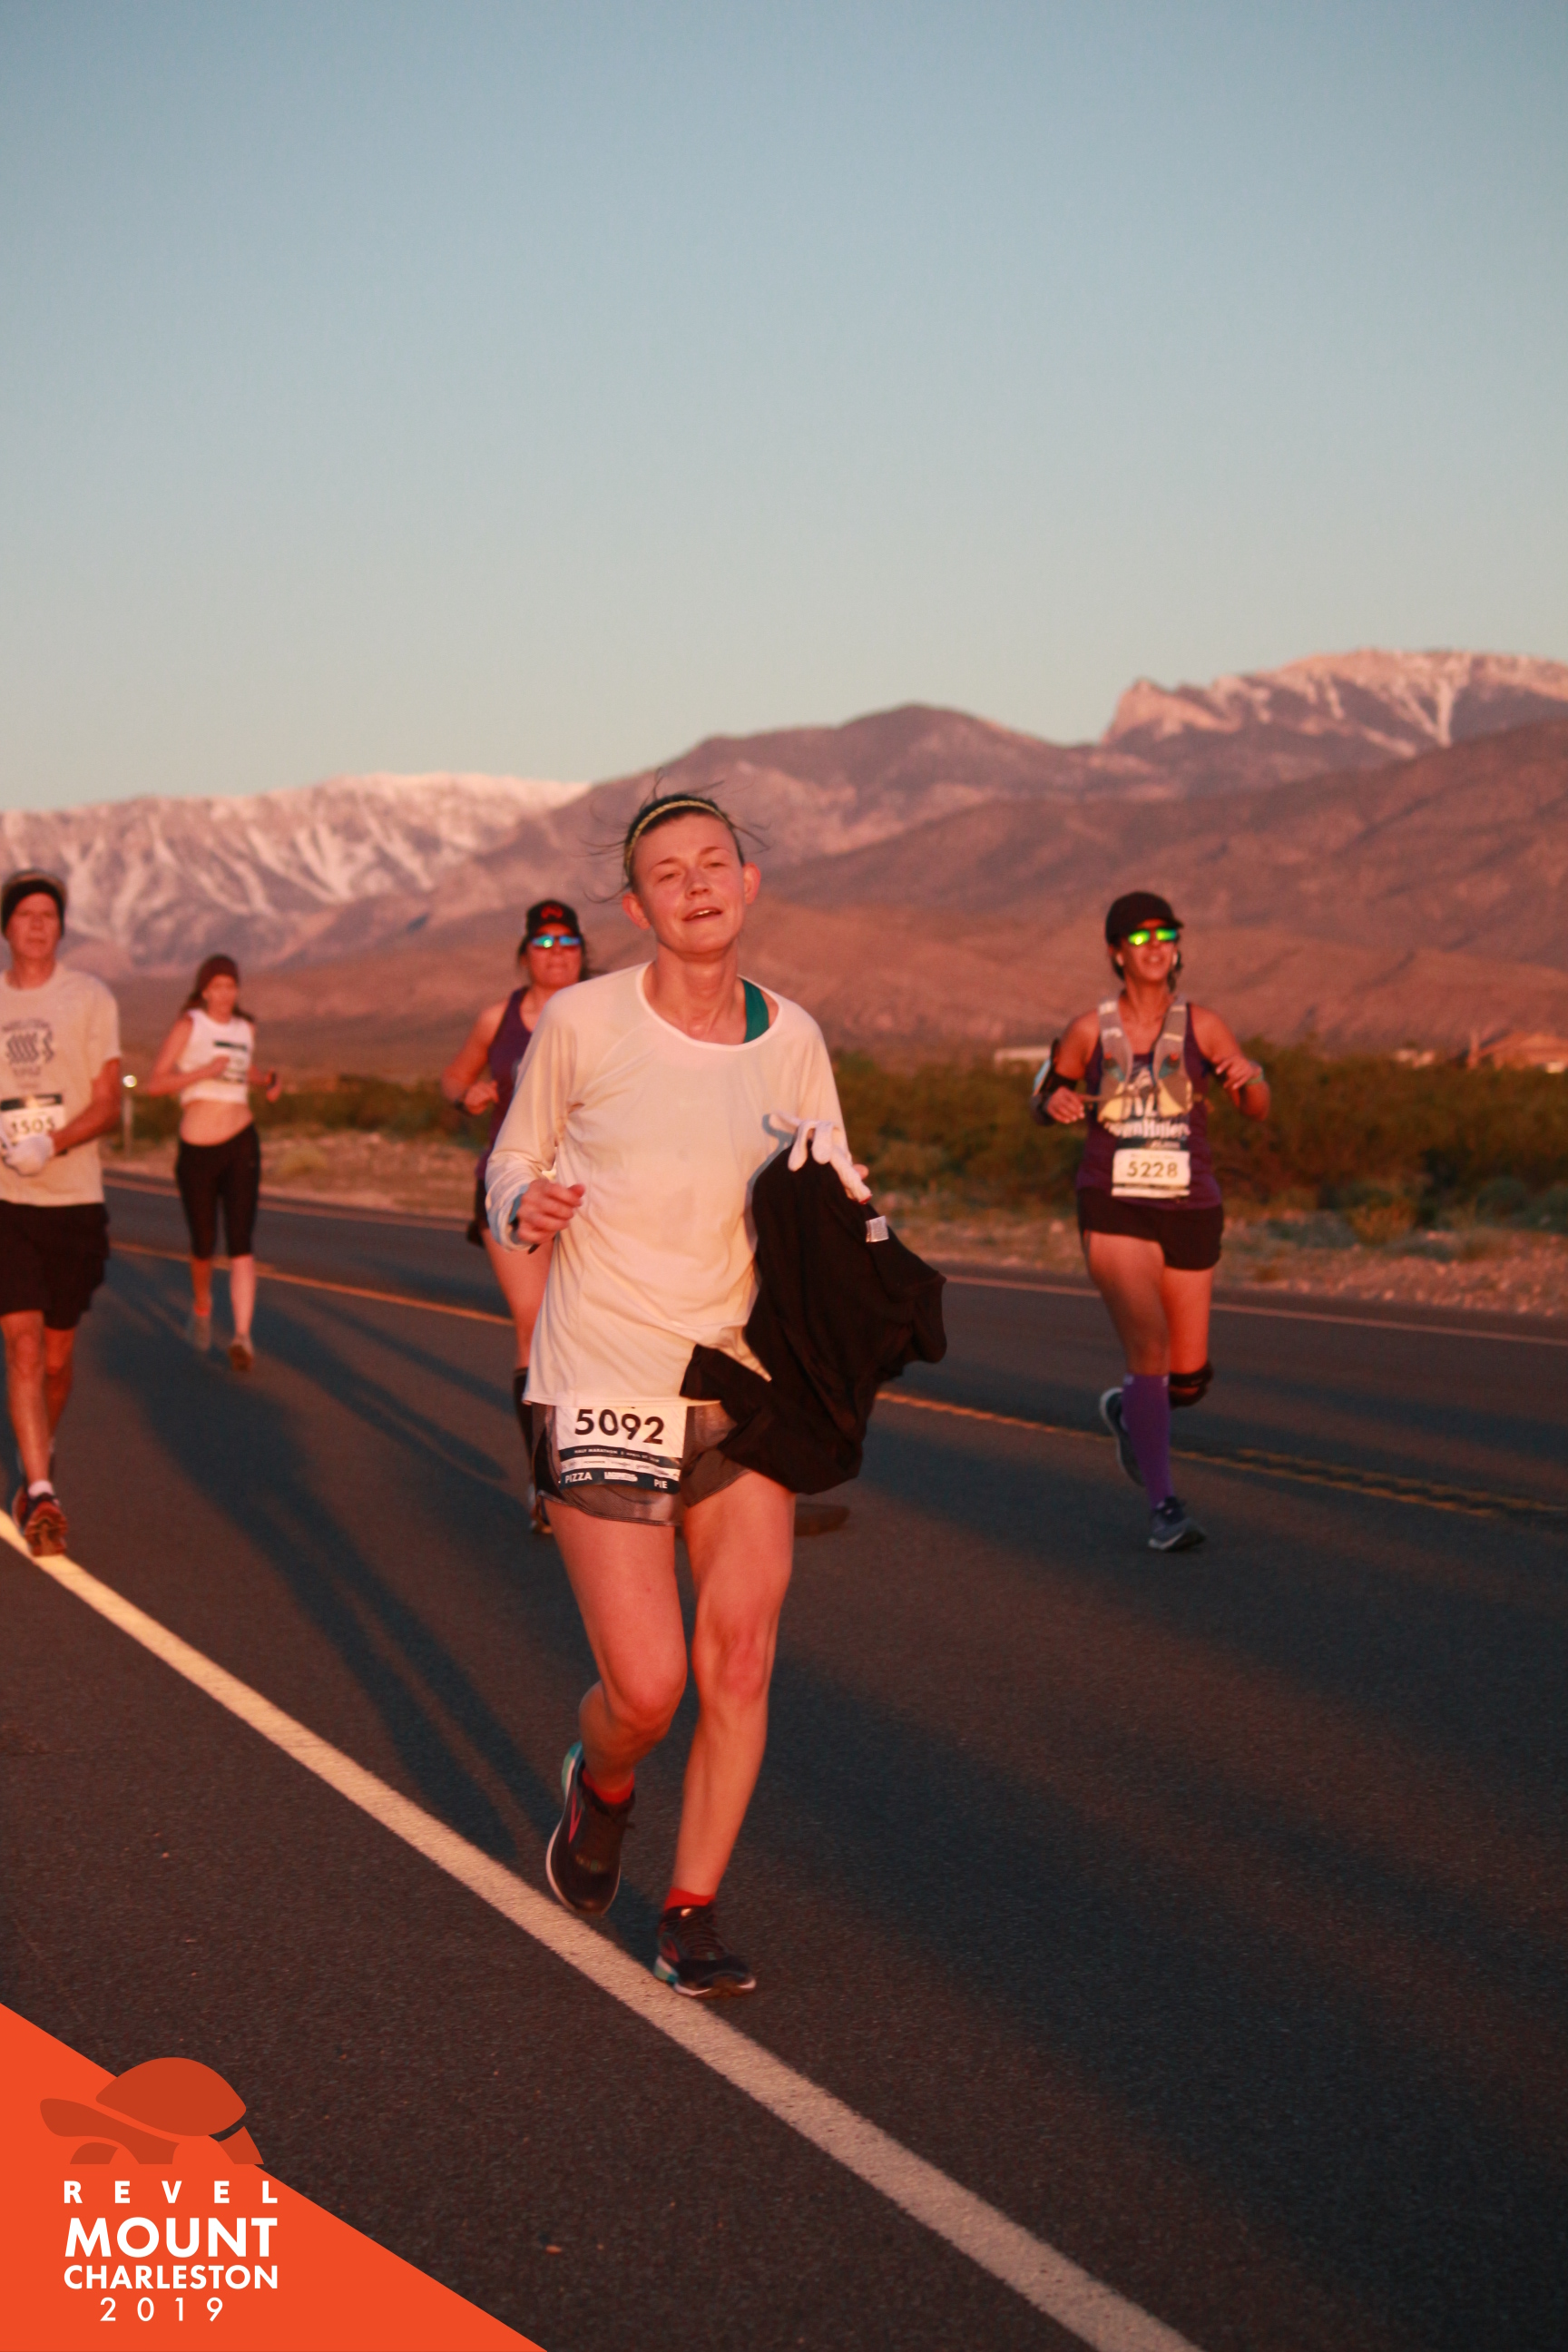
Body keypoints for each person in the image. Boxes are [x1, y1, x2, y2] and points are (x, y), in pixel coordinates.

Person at [485, 794, 853, 1997]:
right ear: (636, 908)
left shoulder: (793, 1037)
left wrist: (858, 1232)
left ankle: (690, 1908)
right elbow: (511, 1160)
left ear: (749, 883)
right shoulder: (583, 1023)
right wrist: (522, 1205)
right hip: (601, 1375)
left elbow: (828, 1183)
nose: (695, 884)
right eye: (667, 873)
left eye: (714, 863)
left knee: (739, 1660)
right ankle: (602, 1784)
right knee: (647, 1691)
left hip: (741, 1388)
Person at [1034, 891, 1269, 1552]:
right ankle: (1164, 1508)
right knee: (1151, 1348)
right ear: (1117, 952)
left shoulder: (1205, 1026)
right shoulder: (1090, 1030)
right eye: (1140, 938)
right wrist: (1052, 1103)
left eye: (1166, 935)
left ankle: (1129, 1410)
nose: (1156, 946)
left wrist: (1251, 1078)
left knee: (1186, 1380)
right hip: (1113, 1202)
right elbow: (1045, 1094)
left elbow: (1255, 1106)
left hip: (1189, 1205)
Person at [440, 901, 587, 1533]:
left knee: (593, 1327)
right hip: (514, 1188)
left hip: (588, 1190)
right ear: (524, 953)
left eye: (568, 942)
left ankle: (611, 1468)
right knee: (536, 1323)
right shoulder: (496, 1018)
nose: (557, 953)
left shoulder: (604, 1010)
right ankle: (543, 1479)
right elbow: (454, 1075)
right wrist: (467, 1094)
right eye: (544, 942)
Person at [0, 869, 122, 1556]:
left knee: (53, 1359)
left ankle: (39, 1453)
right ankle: (41, 1489)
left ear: (61, 928)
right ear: (6, 928)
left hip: (73, 1198)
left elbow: (108, 1102)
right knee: (20, 1346)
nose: (38, 924)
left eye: (49, 914)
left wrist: (51, 1142)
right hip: (6, 1202)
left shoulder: (90, 997)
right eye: (26, 914)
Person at [142, 954, 280, 1369]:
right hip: (198, 1147)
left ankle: (242, 1337)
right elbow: (155, 1083)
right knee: (203, 1244)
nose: (225, 994)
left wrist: (266, 1081)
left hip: (241, 1140)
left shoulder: (245, 1028)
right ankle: (202, 1305)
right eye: (217, 986)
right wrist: (201, 1072)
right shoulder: (190, 1025)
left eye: (231, 986)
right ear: (204, 990)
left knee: (241, 1241)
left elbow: (243, 1069)